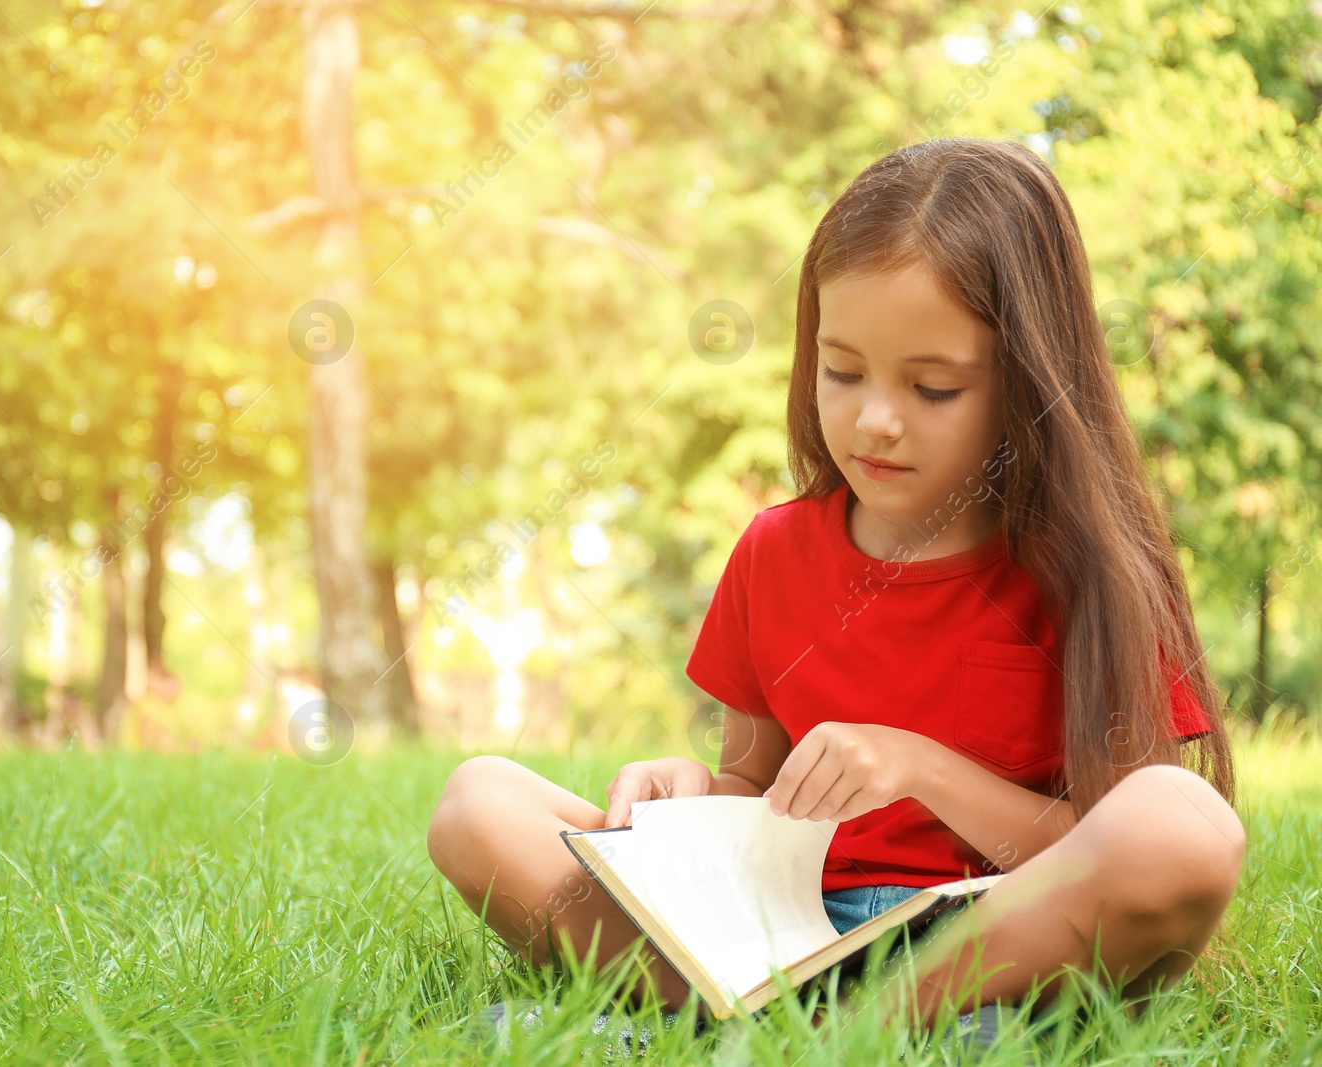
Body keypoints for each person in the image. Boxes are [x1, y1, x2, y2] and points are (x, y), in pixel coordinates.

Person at [425, 137, 1244, 1037]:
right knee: (480, 803)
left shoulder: (1096, 572)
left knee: (1183, 824)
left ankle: (841, 1031)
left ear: (1030, 377)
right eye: (841, 370)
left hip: (990, 943)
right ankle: (804, 1029)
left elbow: (1101, 841)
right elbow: (760, 789)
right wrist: (689, 787)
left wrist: (922, 770)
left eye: (933, 388)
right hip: (781, 936)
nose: (875, 420)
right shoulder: (774, 552)